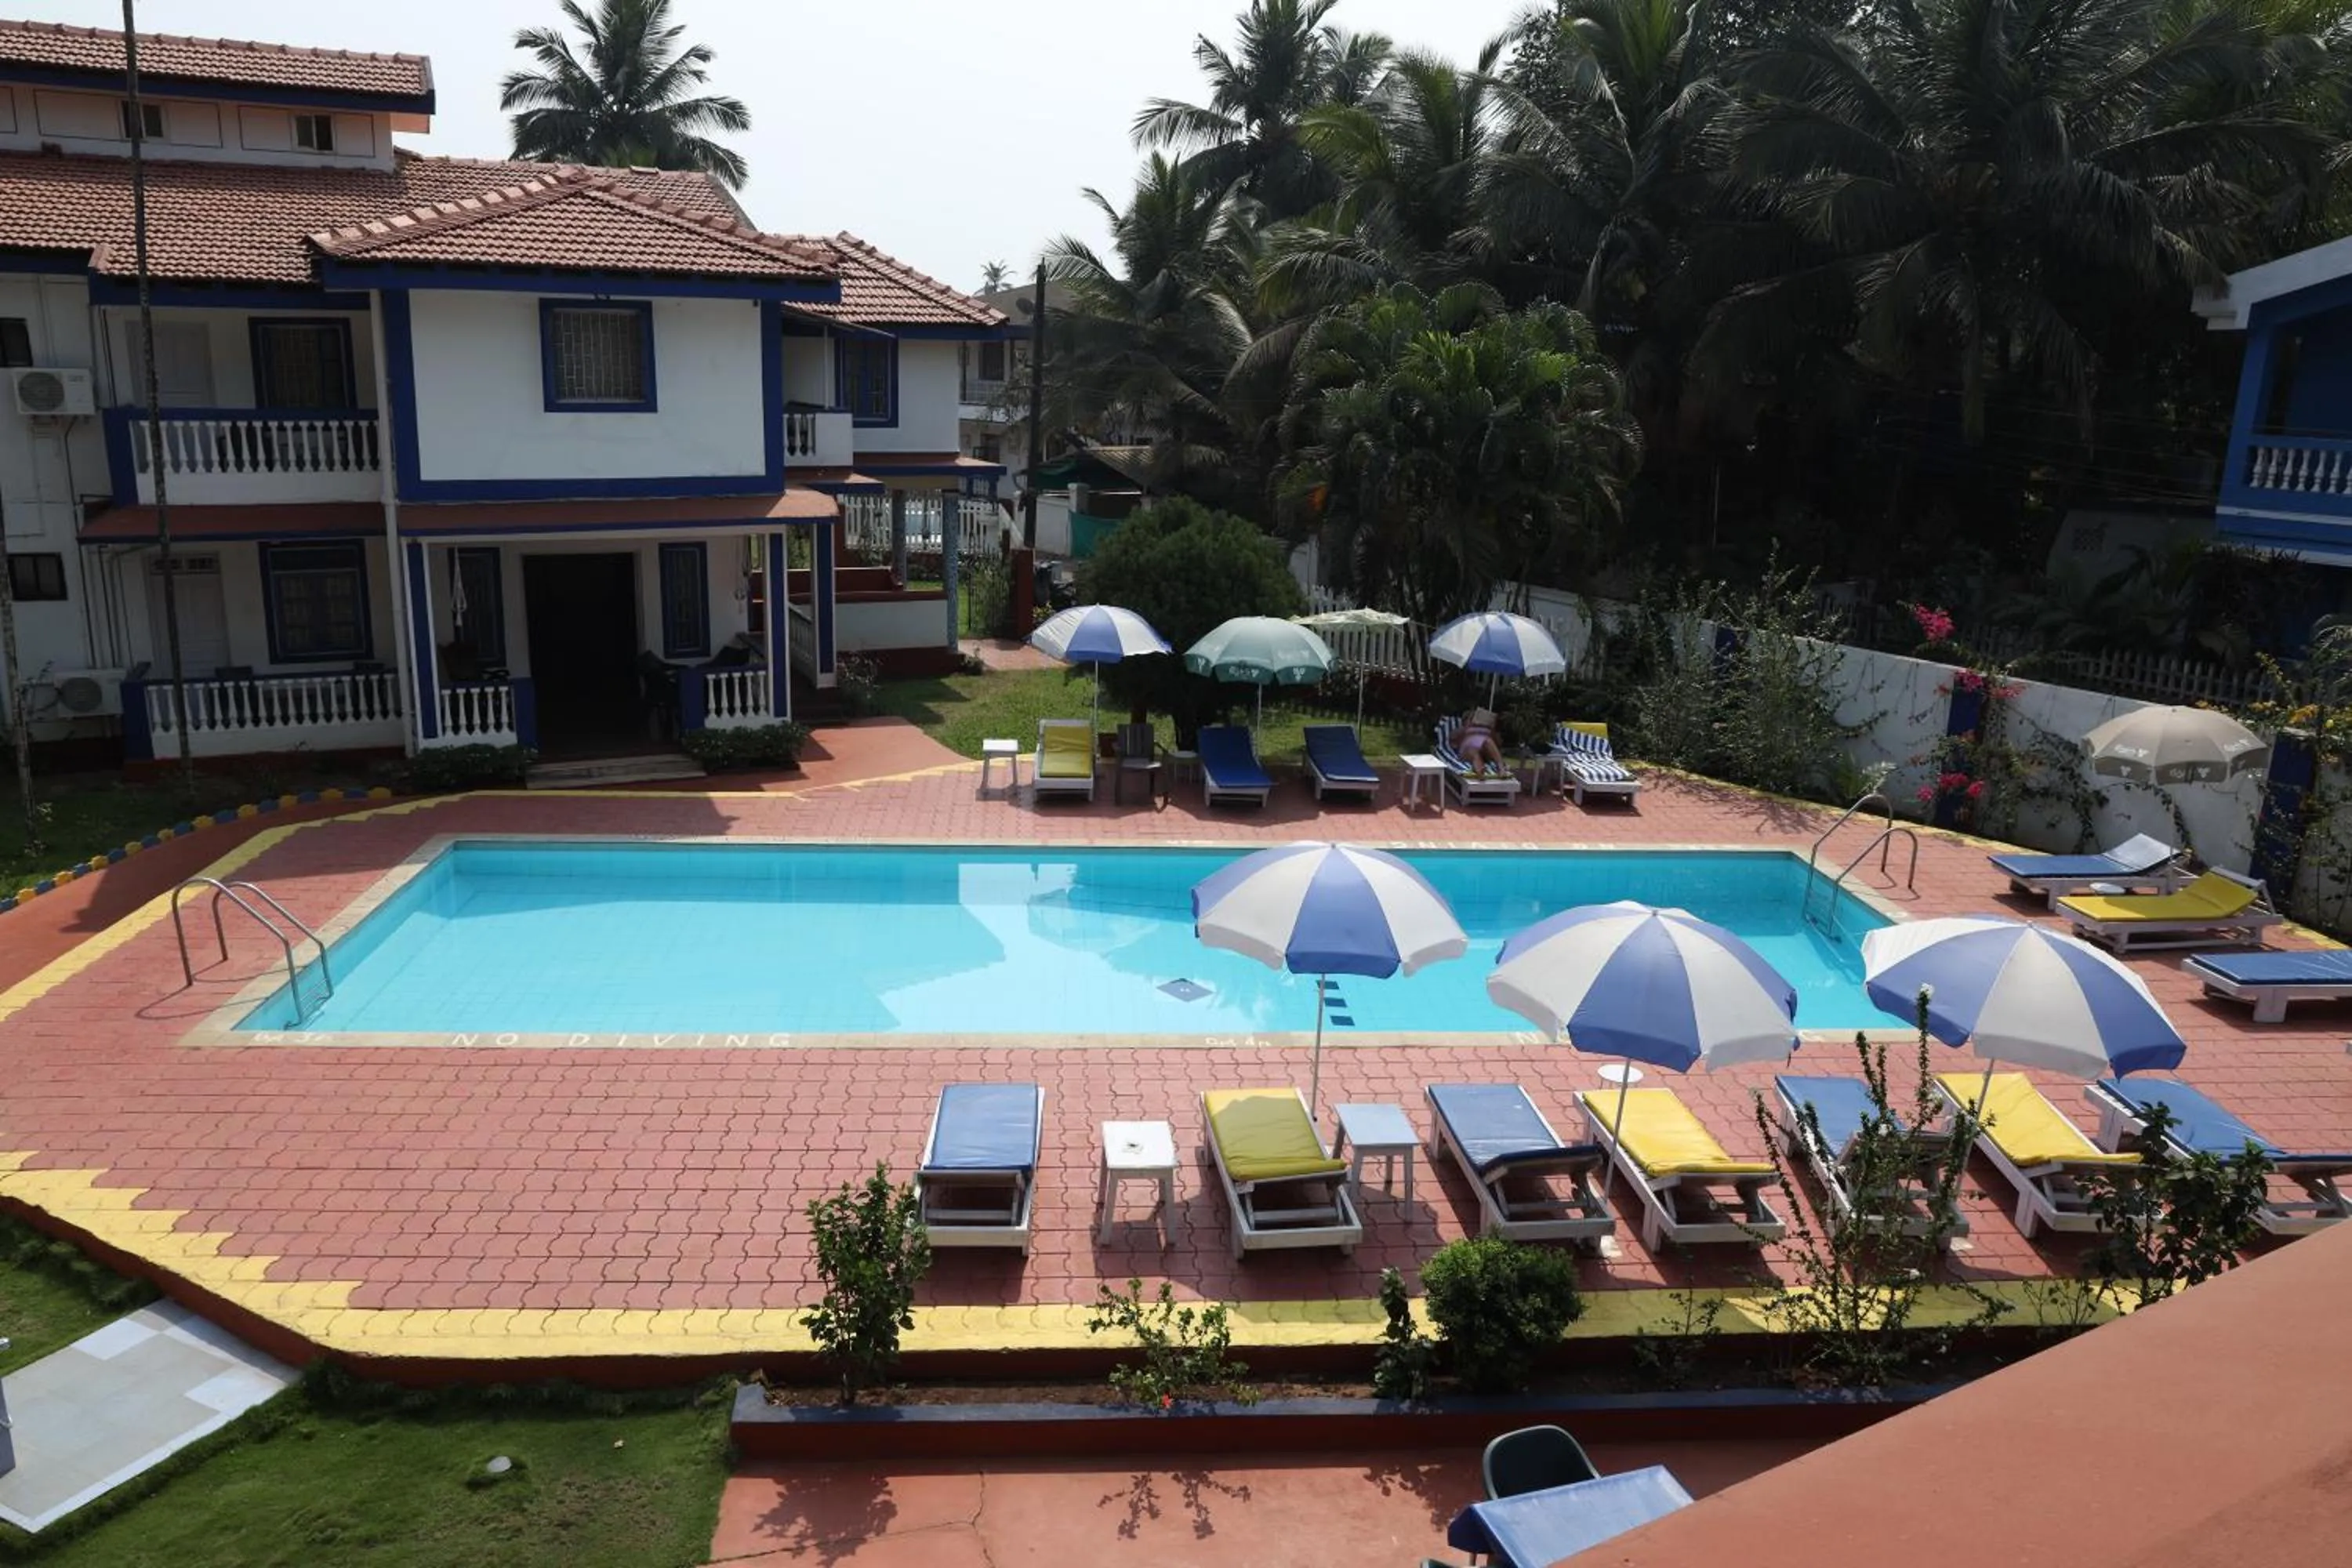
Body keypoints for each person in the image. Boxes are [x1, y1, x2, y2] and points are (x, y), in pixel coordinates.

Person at [1454, 707, 1508, 776]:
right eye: (1471, 719)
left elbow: (1498, 743)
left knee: (1488, 741)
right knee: (1473, 752)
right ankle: (1480, 769)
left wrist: (1492, 730)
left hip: (1484, 749)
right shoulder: (1462, 730)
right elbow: (1453, 741)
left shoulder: (1488, 730)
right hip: (1468, 749)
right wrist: (1466, 729)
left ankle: (1501, 767)